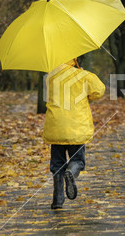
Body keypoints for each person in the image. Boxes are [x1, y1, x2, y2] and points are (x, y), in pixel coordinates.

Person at [43, 58, 105, 209]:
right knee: (78, 160)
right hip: (77, 127)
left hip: (56, 127)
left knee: (57, 164)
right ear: (74, 59)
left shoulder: (50, 77)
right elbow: (99, 91)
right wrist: (82, 72)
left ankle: (57, 201)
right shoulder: (82, 76)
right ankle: (71, 171)